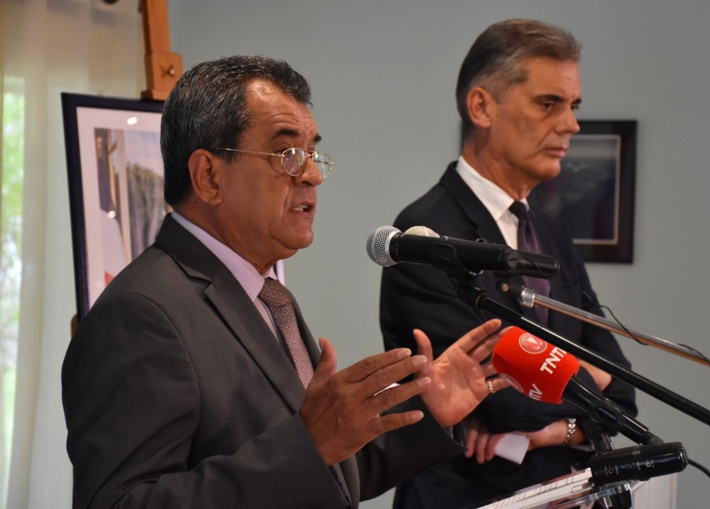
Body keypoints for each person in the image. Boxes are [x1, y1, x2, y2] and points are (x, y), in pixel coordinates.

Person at [61, 55, 511, 509]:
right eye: (287, 154)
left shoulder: (267, 294)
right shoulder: (140, 315)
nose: (312, 175)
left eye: (313, 153)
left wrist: (426, 413)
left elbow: (328, 475)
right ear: (209, 177)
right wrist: (309, 445)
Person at [379, 19, 638, 509]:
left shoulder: (552, 233)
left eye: (574, 106)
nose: (571, 125)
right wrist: (587, 382)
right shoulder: (426, 233)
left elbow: (623, 389)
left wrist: (558, 431)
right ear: (482, 107)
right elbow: (505, 403)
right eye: (549, 104)